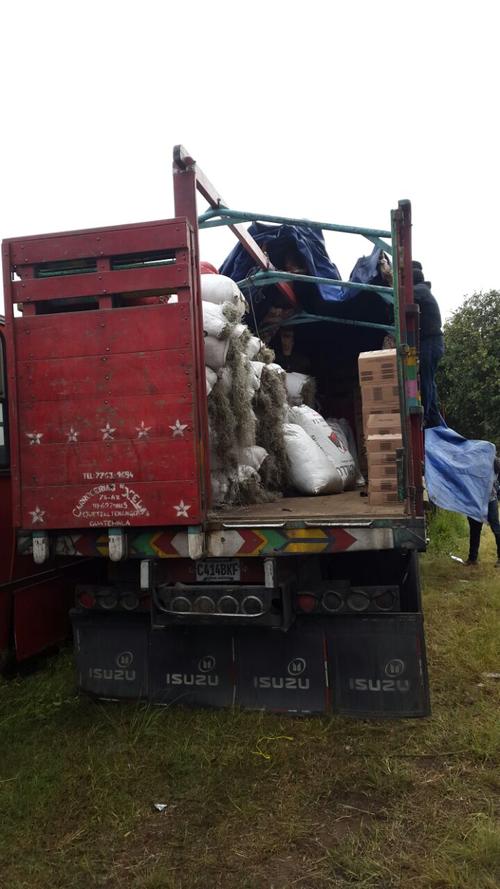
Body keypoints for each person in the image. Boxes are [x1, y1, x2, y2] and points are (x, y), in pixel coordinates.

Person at [412, 261, 444, 427]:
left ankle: (424, 417)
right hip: (433, 342)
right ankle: (434, 421)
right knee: (429, 381)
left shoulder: (420, 290)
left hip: (431, 342)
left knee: (426, 381)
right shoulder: (423, 290)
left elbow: (403, 298)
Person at [466, 456, 500, 567]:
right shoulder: (473, 464)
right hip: (476, 501)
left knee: (496, 529)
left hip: (488, 500)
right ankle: (472, 559)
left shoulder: (494, 463)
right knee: (475, 530)